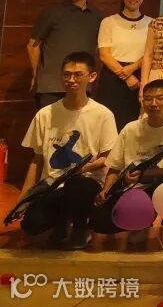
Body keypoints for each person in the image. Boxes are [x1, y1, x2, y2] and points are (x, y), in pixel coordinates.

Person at [19, 51, 118, 249]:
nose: (71, 80)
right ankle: (61, 223)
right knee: (31, 224)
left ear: (92, 76)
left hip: (86, 184)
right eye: (67, 74)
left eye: (78, 74)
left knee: (78, 186)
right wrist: (23, 198)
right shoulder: (45, 114)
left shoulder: (103, 114)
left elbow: (108, 158)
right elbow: (37, 160)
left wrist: (86, 169)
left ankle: (81, 228)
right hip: (52, 185)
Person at [90, 80, 163, 243]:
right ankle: (137, 222)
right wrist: (106, 190)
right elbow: (115, 167)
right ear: (142, 101)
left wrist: (145, 174)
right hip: (131, 186)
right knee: (99, 221)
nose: (153, 103)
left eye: (160, 98)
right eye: (148, 99)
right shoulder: (130, 128)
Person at [28, 0, 103, 109]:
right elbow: (33, 45)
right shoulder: (52, 12)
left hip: (82, 86)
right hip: (51, 86)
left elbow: (98, 50)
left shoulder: (97, 16)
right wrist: (36, 75)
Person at [96, 0, 151, 130]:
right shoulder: (108, 22)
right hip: (113, 76)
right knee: (109, 123)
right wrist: (126, 75)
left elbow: (151, 53)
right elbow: (104, 55)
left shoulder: (152, 23)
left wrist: (133, 68)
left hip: (141, 76)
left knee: (136, 125)